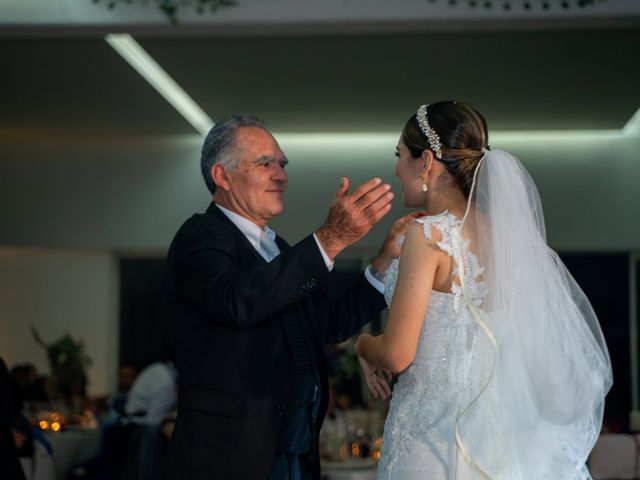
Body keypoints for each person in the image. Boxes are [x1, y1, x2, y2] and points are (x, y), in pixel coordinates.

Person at [355, 101, 613, 479]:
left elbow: (396, 355)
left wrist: (362, 344)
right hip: (497, 441)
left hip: (432, 443)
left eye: (400, 155)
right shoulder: (510, 240)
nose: (396, 168)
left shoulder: (428, 235)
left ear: (425, 160)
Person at [164, 115, 415, 480]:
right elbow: (239, 302)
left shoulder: (277, 248)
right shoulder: (199, 237)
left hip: (295, 452)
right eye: (264, 164)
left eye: (281, 164)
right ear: (222, 176)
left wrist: (383, 260)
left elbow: (327, 325)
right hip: (231, 457)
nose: (281, 175)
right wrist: (330, 239)